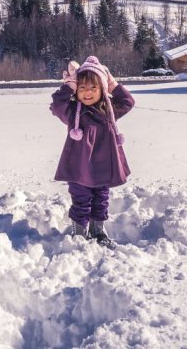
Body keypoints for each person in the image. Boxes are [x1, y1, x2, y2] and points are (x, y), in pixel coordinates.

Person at [50, 56, 135, 247]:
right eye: (82, 88)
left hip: (103, 167)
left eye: (93, 88)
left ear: (102, 89)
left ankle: (98, 232)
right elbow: (57, 105)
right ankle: (79, 233)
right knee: (81, 200)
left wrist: (113, 84)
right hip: (79, 169)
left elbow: (128, 101)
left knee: (101, 199)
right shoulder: (73, 113)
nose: (87, 92)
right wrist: (69, 85)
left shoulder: (109, 110)